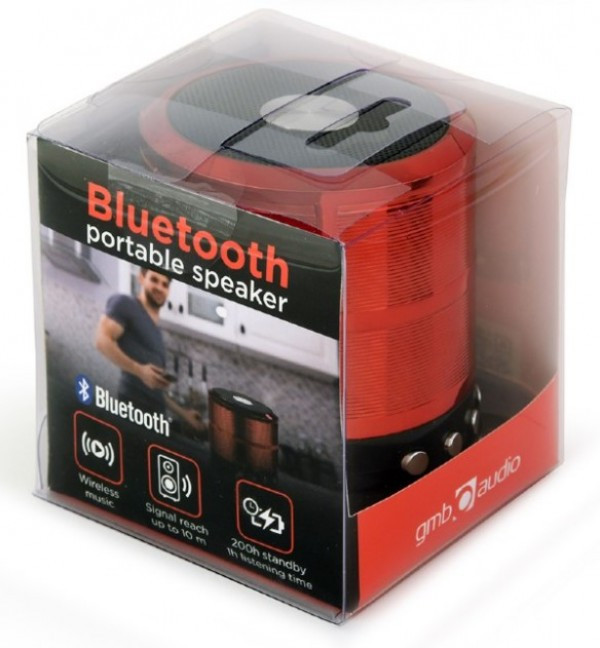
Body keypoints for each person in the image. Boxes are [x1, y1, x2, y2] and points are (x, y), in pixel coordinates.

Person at [95, 268, 203, 432]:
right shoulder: (125, 304)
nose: (160, 287)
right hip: (132, 411)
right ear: (141, 278)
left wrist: (183, 414)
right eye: (154, 280)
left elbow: (153, 387)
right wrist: (139, 370)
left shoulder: (157, 333)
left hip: (155, 418)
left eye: (165, 284)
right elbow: (101, 340)